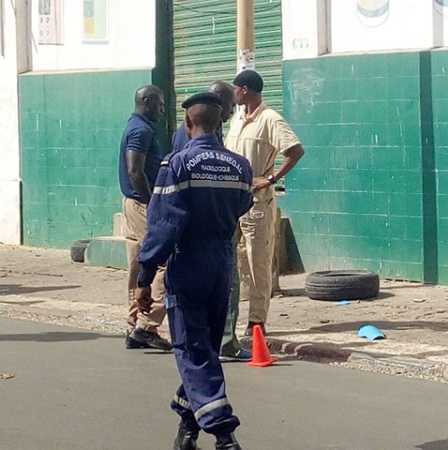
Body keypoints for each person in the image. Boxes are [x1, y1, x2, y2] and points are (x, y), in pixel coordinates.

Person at [134, 92, 251, 450]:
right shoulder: (240, 166)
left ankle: (223, 431)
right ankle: (187, 428)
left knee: (192, 351)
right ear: (220, 123)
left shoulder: (177, 164)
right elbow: (242, 206)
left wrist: (144, 276)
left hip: (188, 263)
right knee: (205, 350)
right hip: (222, 265)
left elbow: (164, 224)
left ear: (188, 123)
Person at [172, 81, 251, 361]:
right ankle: (225, 341)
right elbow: (243, 197)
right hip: (213, 234)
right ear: (218, 108)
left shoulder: (183, 134)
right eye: (230, 106)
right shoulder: (215, 144)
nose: (232, 112)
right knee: (226, 285)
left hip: (186, 237)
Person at [225, 70, 305, 336]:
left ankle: (256, 322)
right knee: (230, 261)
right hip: (231, 203)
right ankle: (228, 318)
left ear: (245, 90)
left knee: (258, 263)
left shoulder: (271, 119)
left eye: (236, 88)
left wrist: (270, 178)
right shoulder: (237, 118)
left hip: (257, 204)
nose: (234, 93)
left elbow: (294, 151)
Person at [118, 85, 171, 351]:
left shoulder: (135, 125)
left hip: (132, 203)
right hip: (141, 204)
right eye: (160, 104)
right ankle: (146, 325)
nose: (163, 109)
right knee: (159, 263)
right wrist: (153, 203)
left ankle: (135, 320)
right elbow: (135, 170)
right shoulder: (141, 130)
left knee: (138, 263)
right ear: (148, 102)